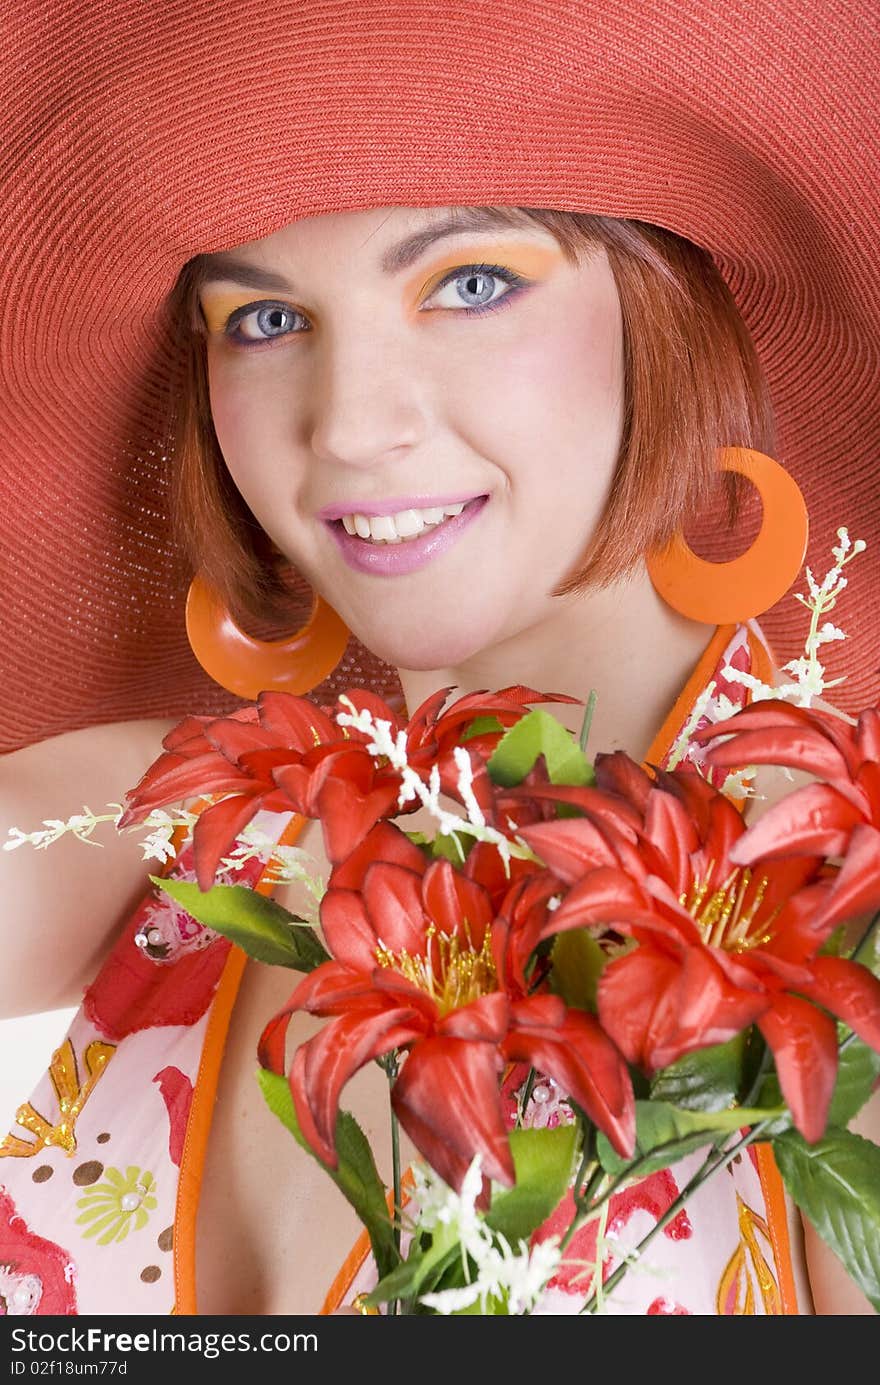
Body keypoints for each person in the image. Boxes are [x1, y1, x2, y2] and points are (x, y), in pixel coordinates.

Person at [0, 0, 878, 1318]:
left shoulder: (832, 909)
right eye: (262, 320)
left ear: (670, 310)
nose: (347, 428)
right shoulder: (174, 818)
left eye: (470, 284)